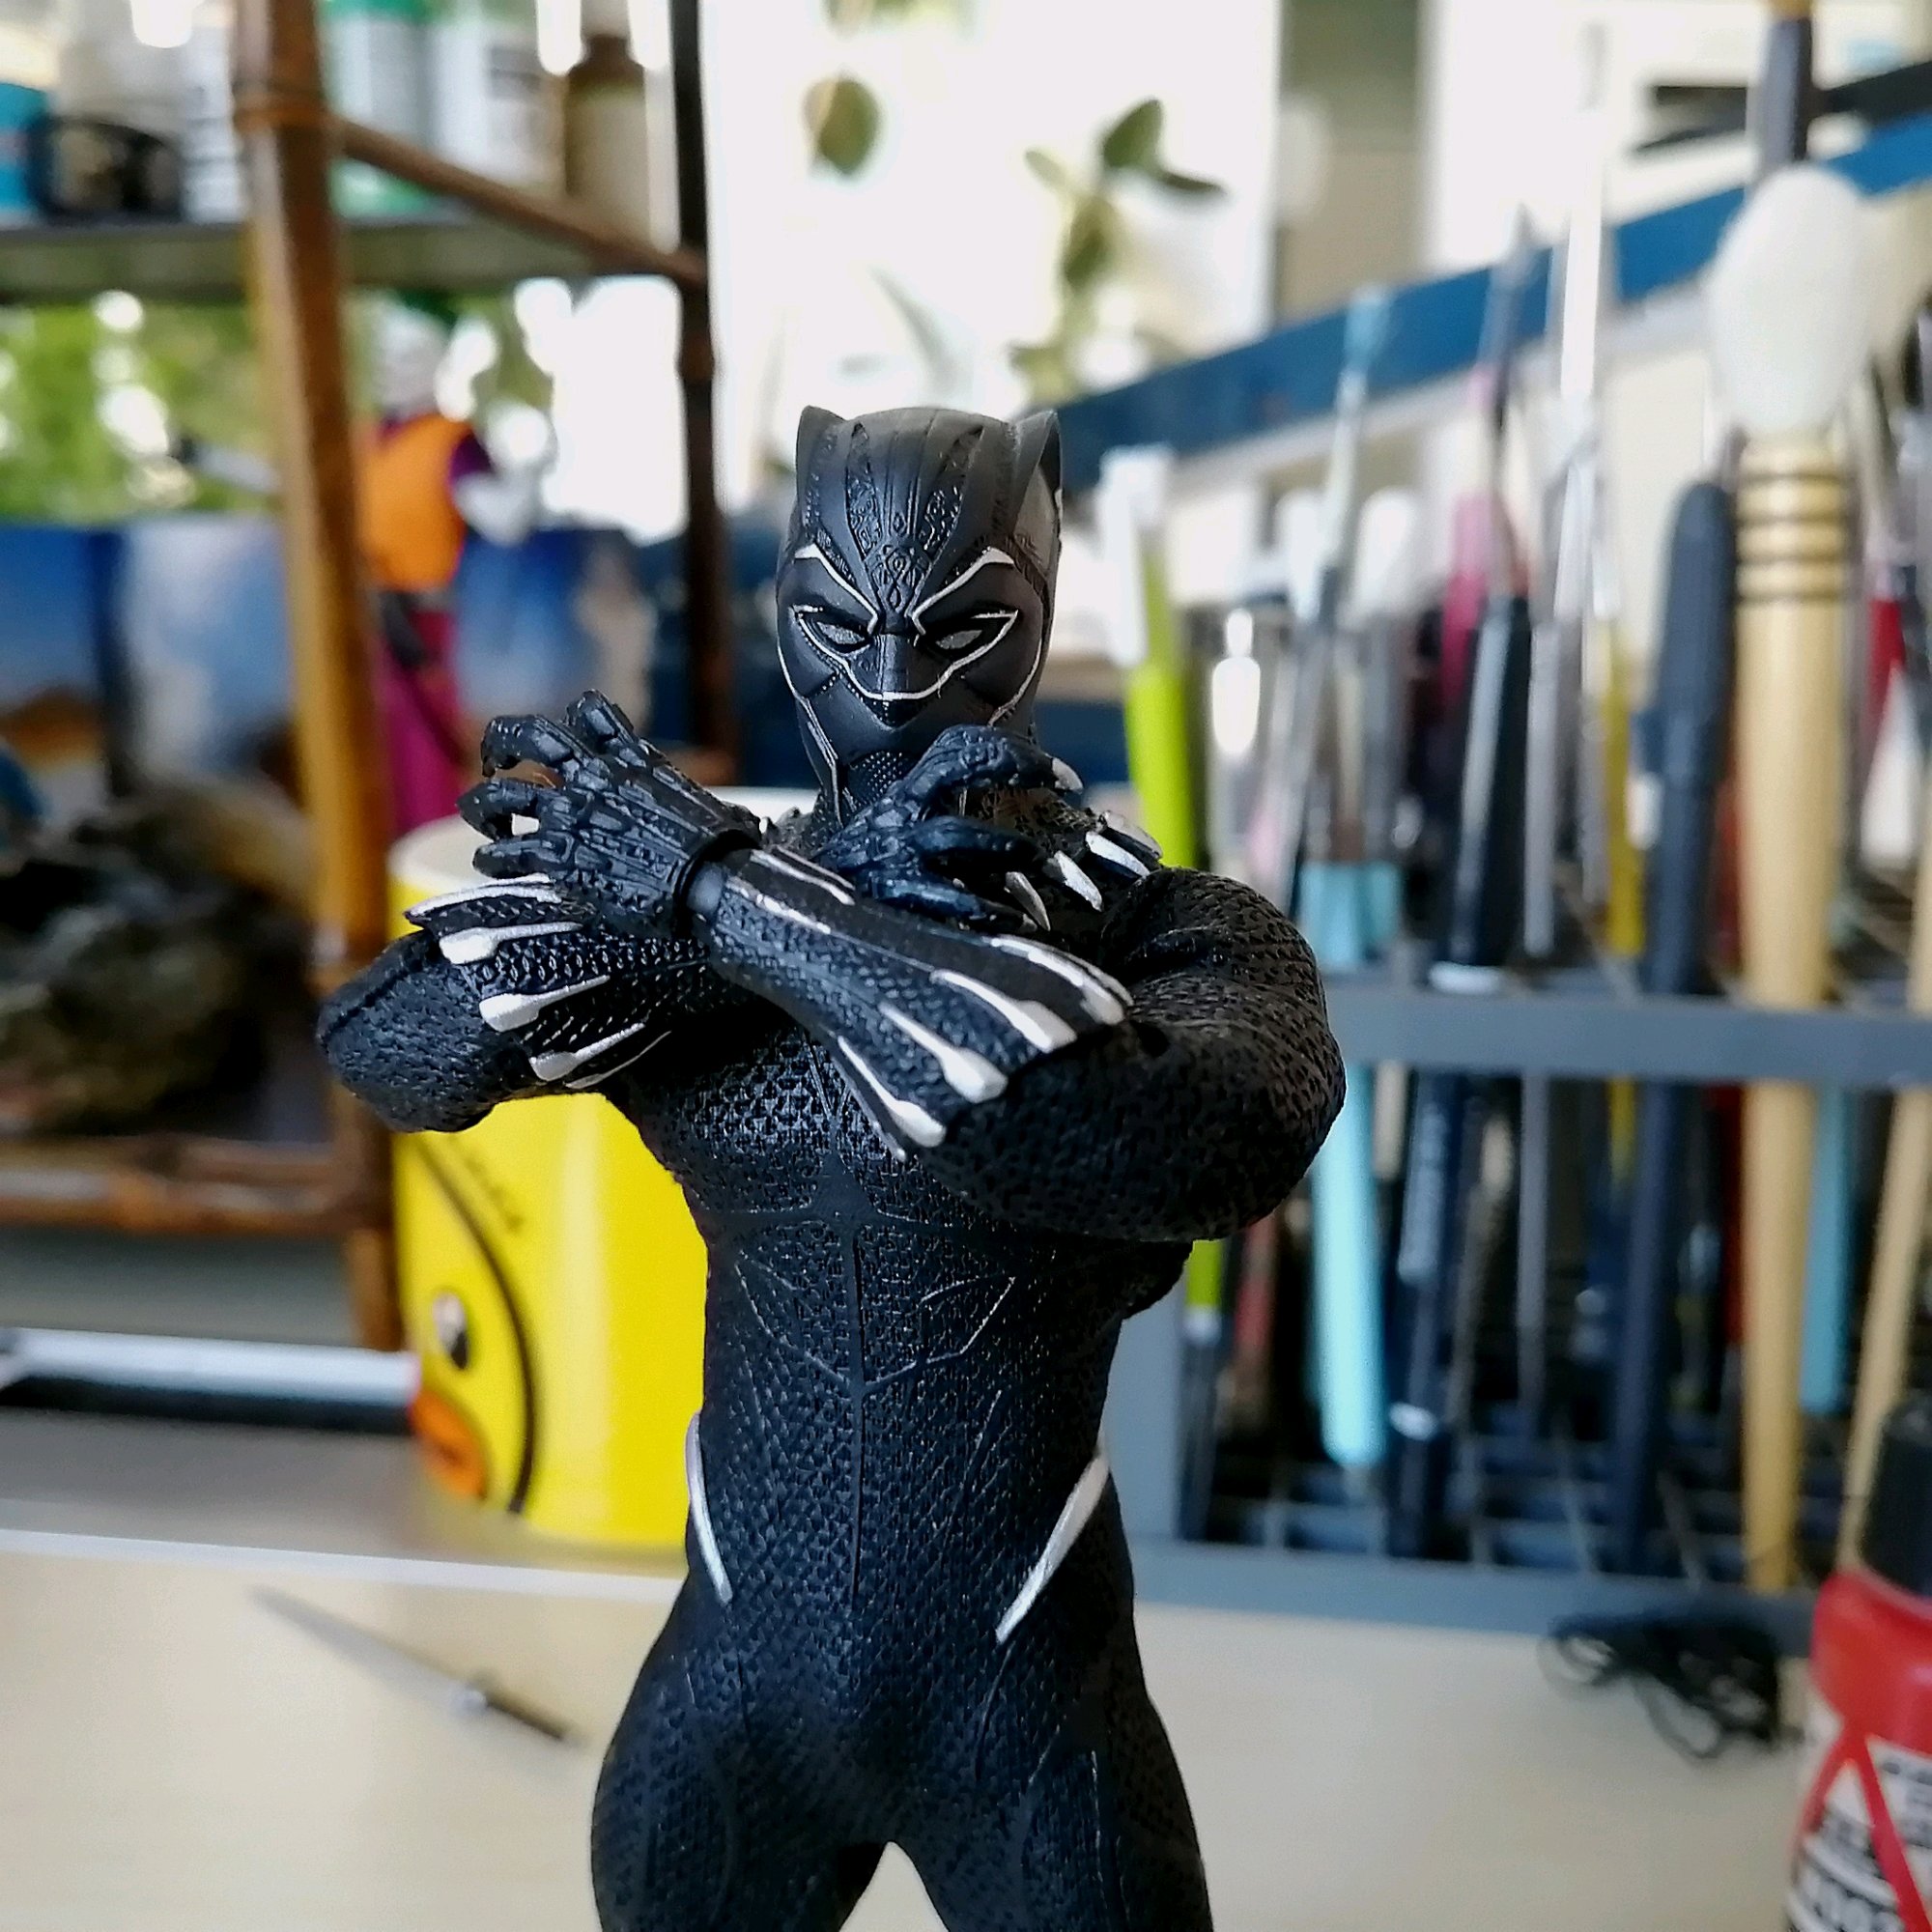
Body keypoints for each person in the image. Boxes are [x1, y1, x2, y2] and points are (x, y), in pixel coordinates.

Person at [321, 404, 1342, 1932]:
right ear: (781, 612)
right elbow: (391, 1047)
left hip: (1022, 1700)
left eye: (958, 628)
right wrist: (758, 898)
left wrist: (725, 895)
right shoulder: (690, 900)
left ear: (1040, 606)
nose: (893, 682)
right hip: (739, 1683)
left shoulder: (1159, 929)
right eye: (839, 626)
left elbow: (1137, 1129)